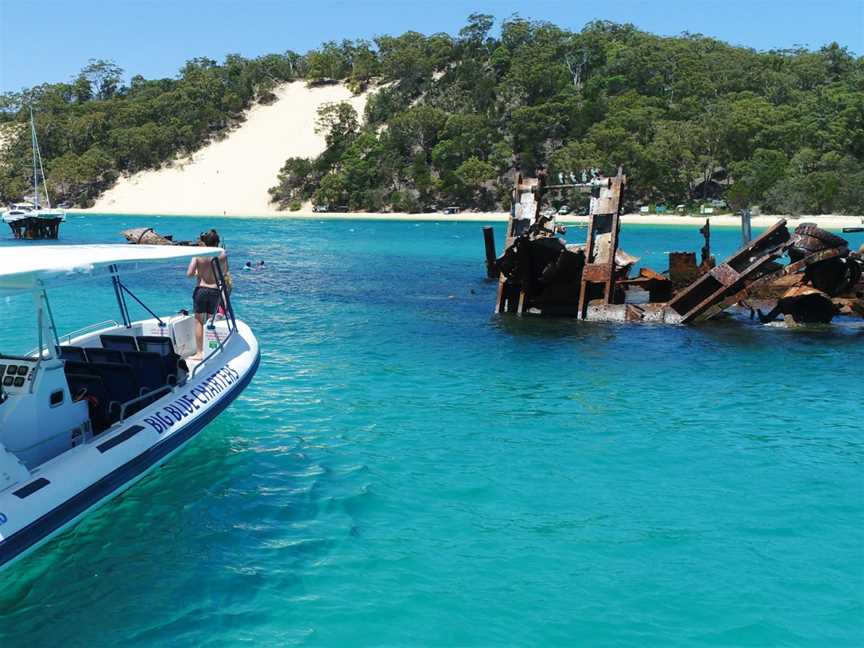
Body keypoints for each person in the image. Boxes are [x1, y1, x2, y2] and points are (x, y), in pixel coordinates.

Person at [186, 229, 228, 360]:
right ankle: (212, 350)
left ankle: (199, 352)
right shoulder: (222, 254)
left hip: (201, 290)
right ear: (217, 241)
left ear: (204, 241)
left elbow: (189, 274)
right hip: (215, 290)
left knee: (199, 321)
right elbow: (225, 272)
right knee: (212, 321)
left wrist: (199, 273)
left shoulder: (198, 254)